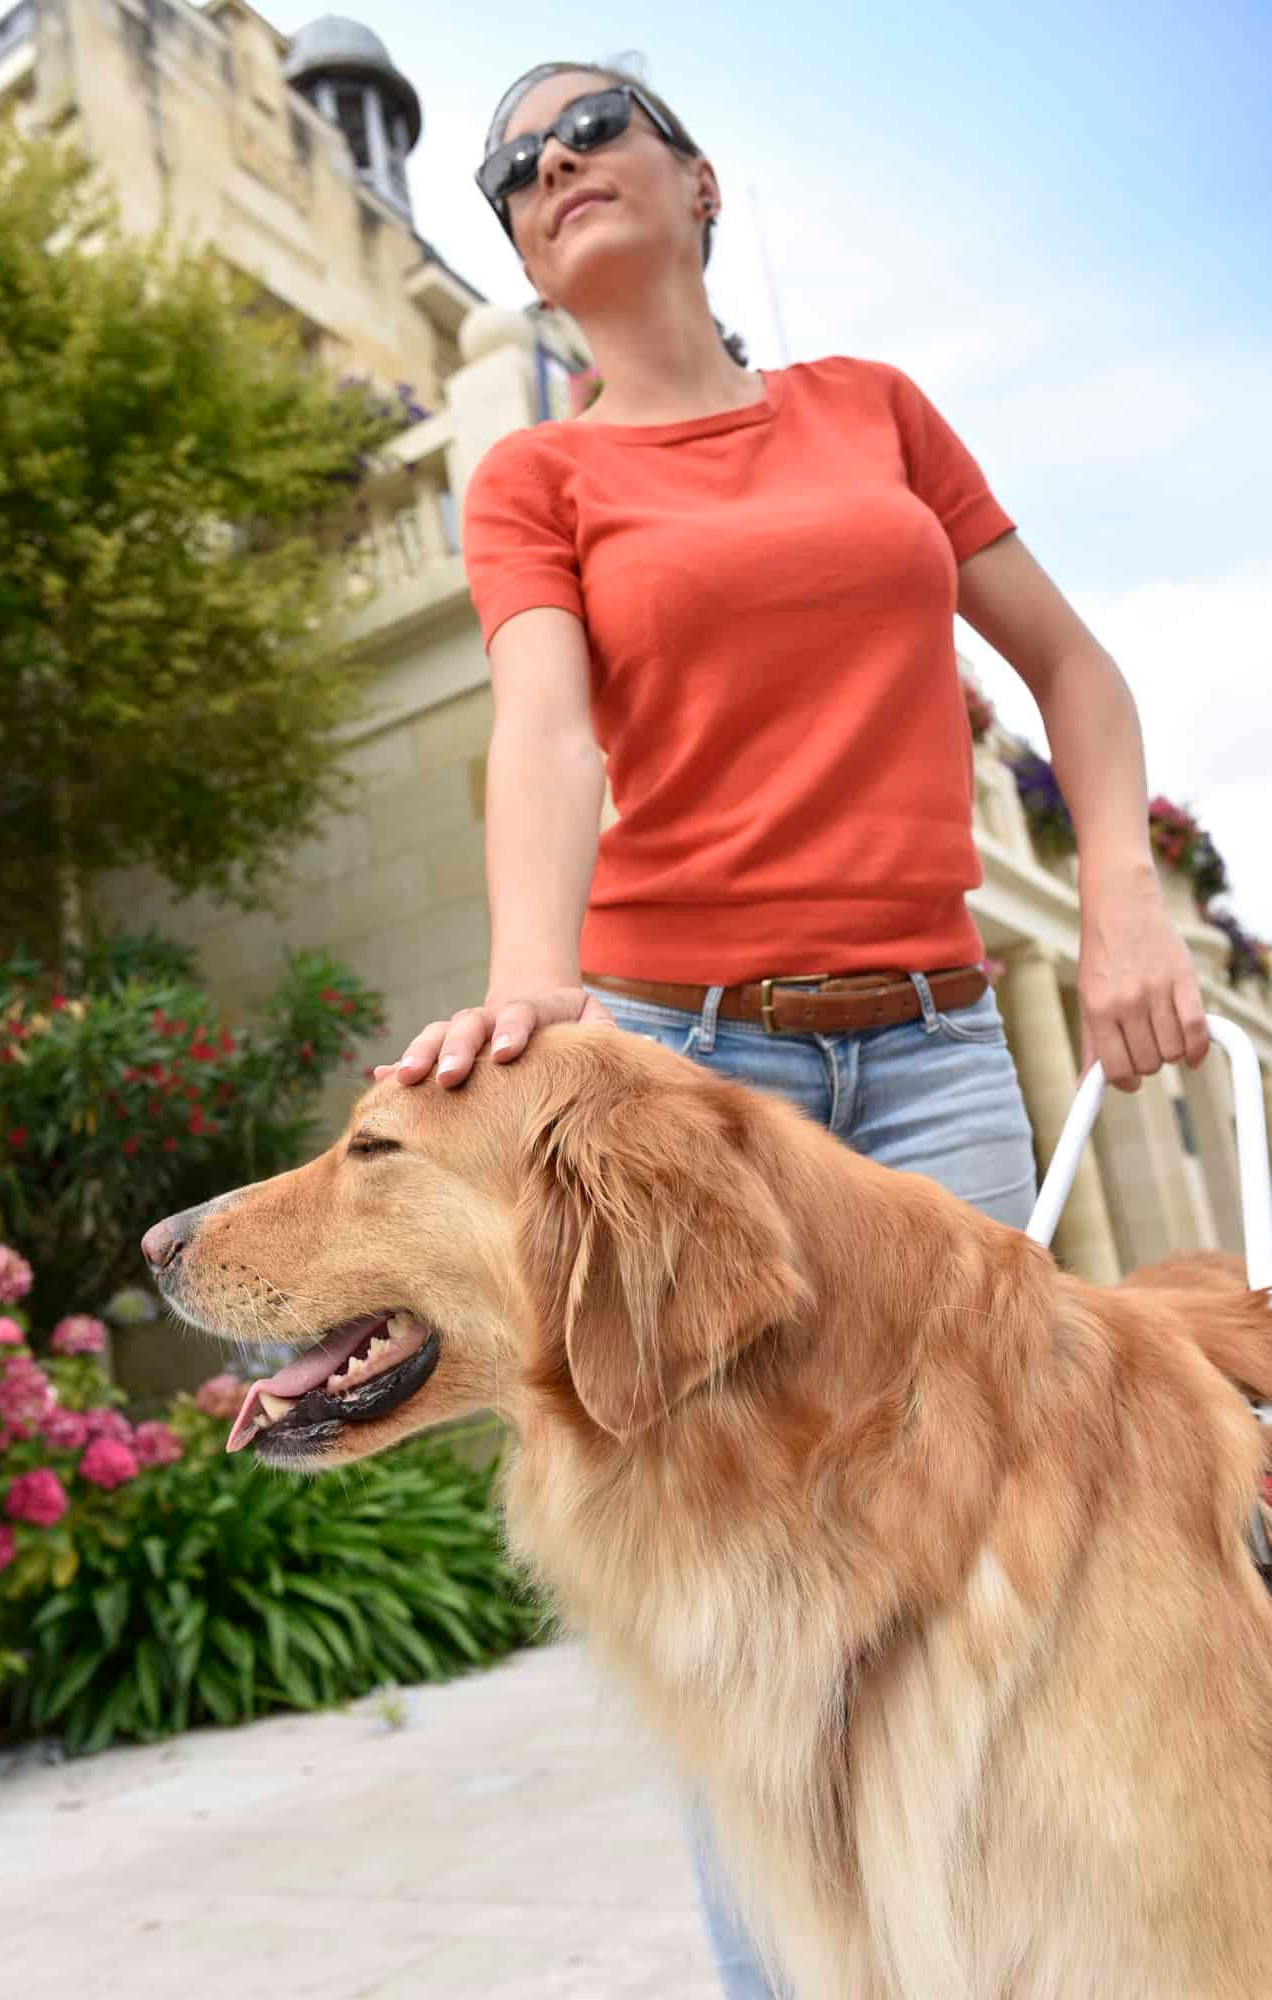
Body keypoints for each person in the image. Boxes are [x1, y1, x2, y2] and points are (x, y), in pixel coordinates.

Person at [379, 60, 1210, 1999]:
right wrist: (531, 975)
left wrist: (1114, 892)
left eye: (592, 128)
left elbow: (1072, 671)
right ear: (517, 246)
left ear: (696, 179)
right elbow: (547, 728)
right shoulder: (541, 478)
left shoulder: (868, 413)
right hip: (701, 1066)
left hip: (931, 1058)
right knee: (753, 1611)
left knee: (997, 1556)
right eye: (510, 169)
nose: (550, 165)